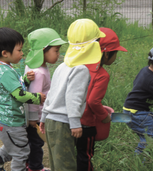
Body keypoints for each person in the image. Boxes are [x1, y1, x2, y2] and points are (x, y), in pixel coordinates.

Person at [39, 19, 106, 171]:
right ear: (94, 44)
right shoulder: (81, 69)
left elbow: (51, 94)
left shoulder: (62, 66)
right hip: (63, 124)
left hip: (51, 121)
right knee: (66, 165)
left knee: (57, 164)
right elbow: (73, 97)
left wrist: (43, 117)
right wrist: (75, 122)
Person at [0, 27, 46, 171]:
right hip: (11, 123)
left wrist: (25, 80)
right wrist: (37, 97)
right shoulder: (6, 72)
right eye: (19, 50)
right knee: (21, 152)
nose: (22, 53)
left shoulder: (6, 67)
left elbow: (14, 88)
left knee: (13, 146)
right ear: (5, 53)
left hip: (8, 121)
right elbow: (19, 95)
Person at [76, 27, 128, 171]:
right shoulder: (102, 75)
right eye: (115, 52)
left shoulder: (78, 65)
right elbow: (93, 101)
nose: (116, 56)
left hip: (70, 120)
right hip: (86, 125)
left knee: (73, 154)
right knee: (85, 156)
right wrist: (104, 116)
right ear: (106, 54)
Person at [24, 28, 67, 171]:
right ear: (44, 50)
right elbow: (33, 97)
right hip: (36, 117)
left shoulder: (33, 66)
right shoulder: (39, 72)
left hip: (36, 116)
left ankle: (30, 165)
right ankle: (35, 167)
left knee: (32, 143)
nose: (58, 54)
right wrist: (33, 118)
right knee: (36, 144)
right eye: (56, 50)